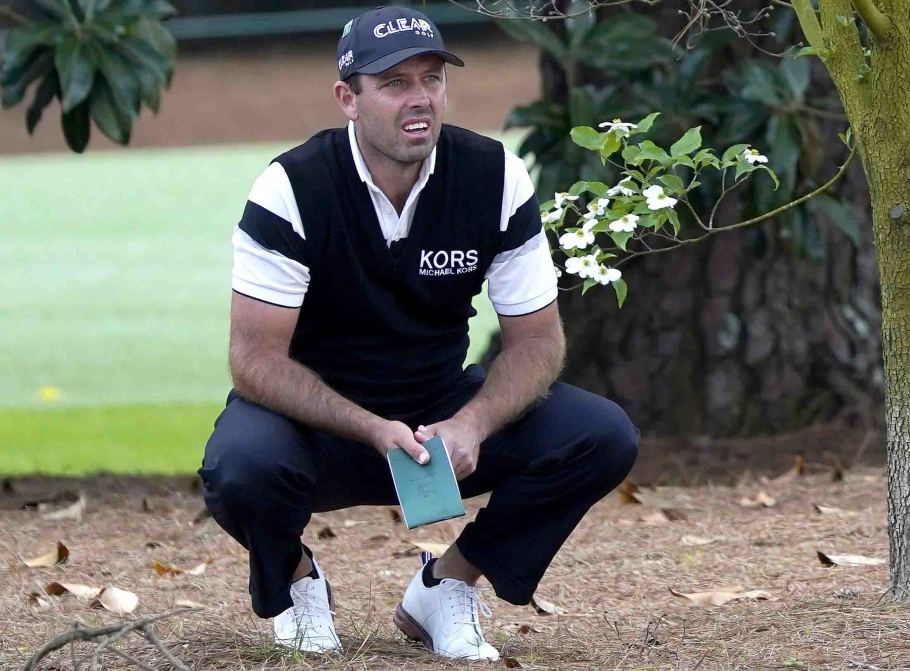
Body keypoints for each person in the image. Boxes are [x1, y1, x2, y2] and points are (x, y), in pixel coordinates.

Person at [197, 5, 639, 662]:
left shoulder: (495, 176)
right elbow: (253, 359)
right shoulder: (291, 186)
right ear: (348, 98)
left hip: (440, 425)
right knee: (240, 467)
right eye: (395, 83)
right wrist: (369, 427)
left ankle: (447, 584)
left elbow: (538, 342)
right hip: (317, 426)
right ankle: (295, 581)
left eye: (431, 79)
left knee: (601, 435)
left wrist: (473, 424)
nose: (420, 100)